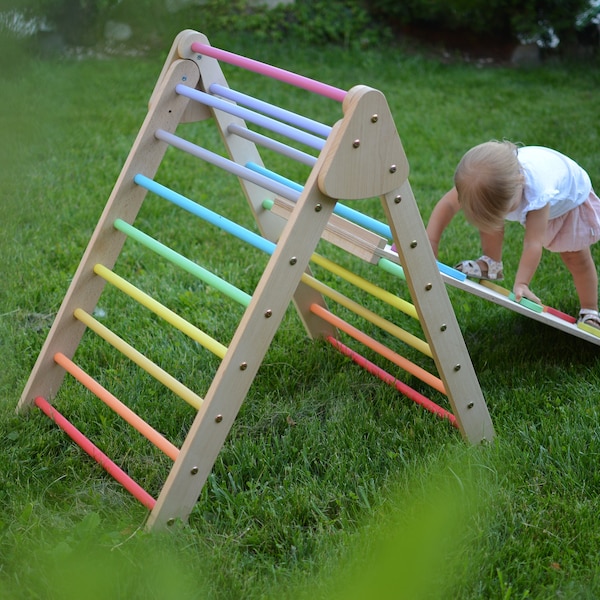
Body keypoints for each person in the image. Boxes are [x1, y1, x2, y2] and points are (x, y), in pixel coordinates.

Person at [426, 140, 600, 329]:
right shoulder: (479, 183)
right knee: (489, 216)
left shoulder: (537, 193)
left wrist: (522, 283)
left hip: (568, 199)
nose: (502, 216)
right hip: (523, 187)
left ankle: (590, 311)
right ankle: (492, 264)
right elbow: (448, 204)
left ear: (520, 182)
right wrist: (431, 242)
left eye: (506, 209)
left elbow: (533, 243)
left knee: (574, 256)